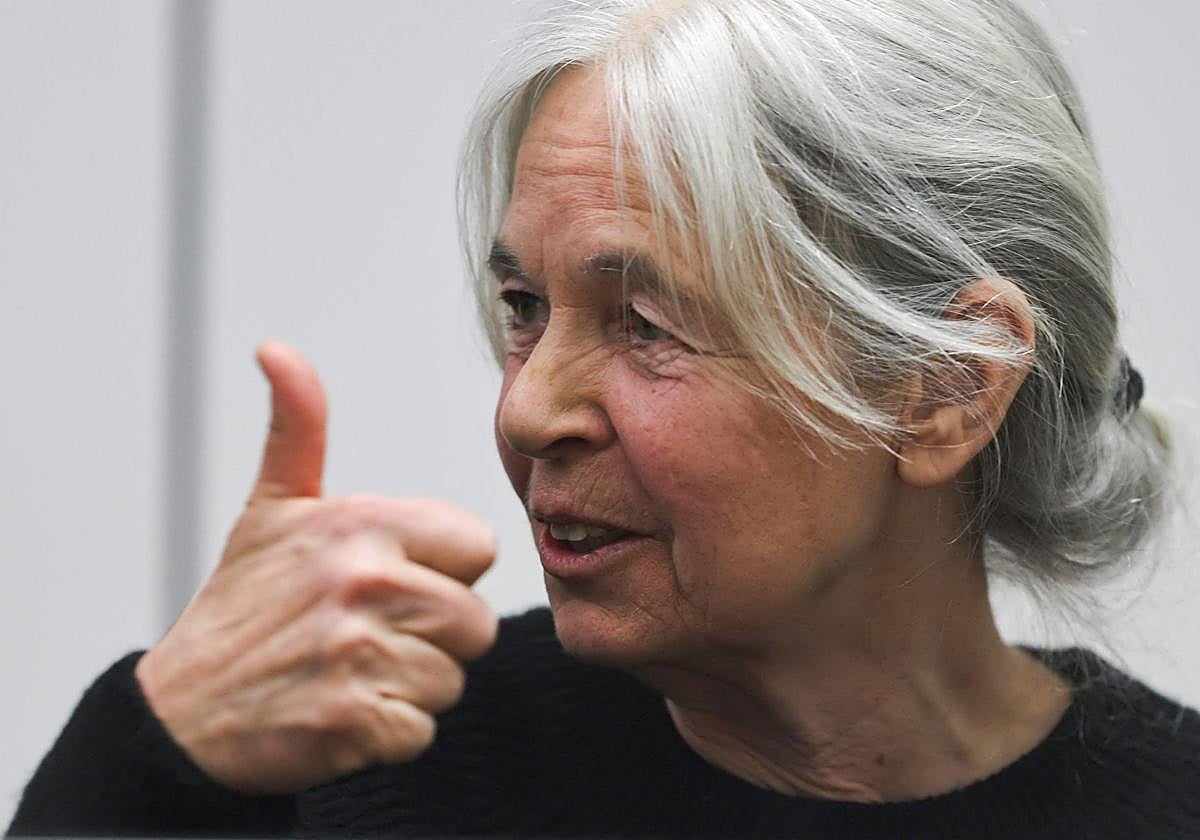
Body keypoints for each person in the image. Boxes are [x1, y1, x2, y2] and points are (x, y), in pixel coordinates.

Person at [9, 0, 1199, 837]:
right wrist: (149, 758)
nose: (527, 410)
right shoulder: (364, 774)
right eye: (523, 307)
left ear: (947, 387)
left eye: (645, 324)